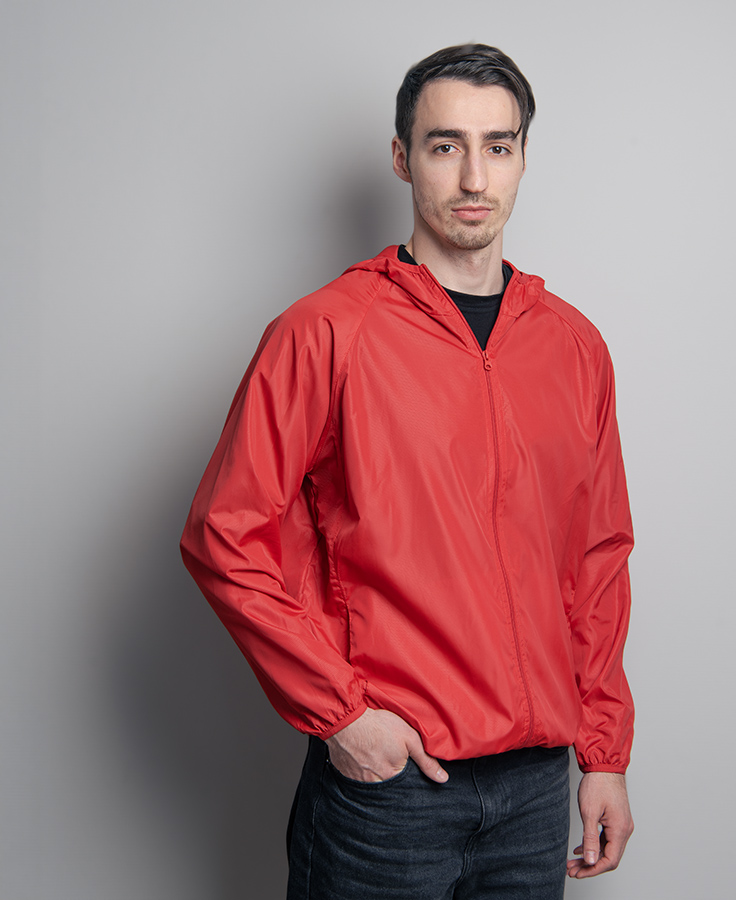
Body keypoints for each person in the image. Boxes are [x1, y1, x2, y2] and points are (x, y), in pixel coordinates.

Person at [181, 43, 635, 899]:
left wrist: (604, 755)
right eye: (444, 144)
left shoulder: (575, 348)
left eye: (498, 146)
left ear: (524, 159)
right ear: (402, 157)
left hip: (537, 791)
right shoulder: (324, 332)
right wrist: (342, 717)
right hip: (390, 791)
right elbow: (223, 536)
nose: (474, 176)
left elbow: (596, 562)